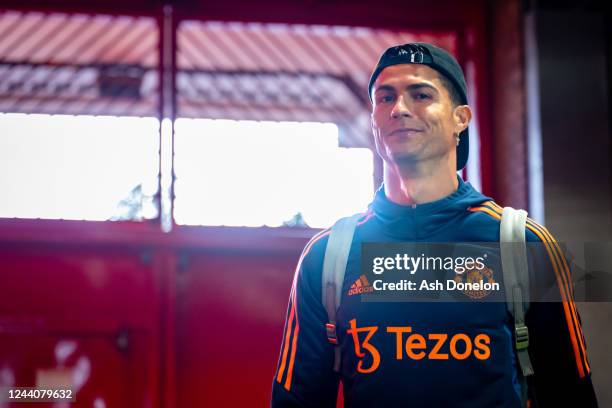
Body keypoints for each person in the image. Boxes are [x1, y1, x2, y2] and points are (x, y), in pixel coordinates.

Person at [271, 43, 598, 407]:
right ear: (374, 120)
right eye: (385, 98)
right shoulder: (327, 256)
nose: (399, 109)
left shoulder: (523, 245)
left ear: (461, 118)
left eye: (421, 94)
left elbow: (571, 395)